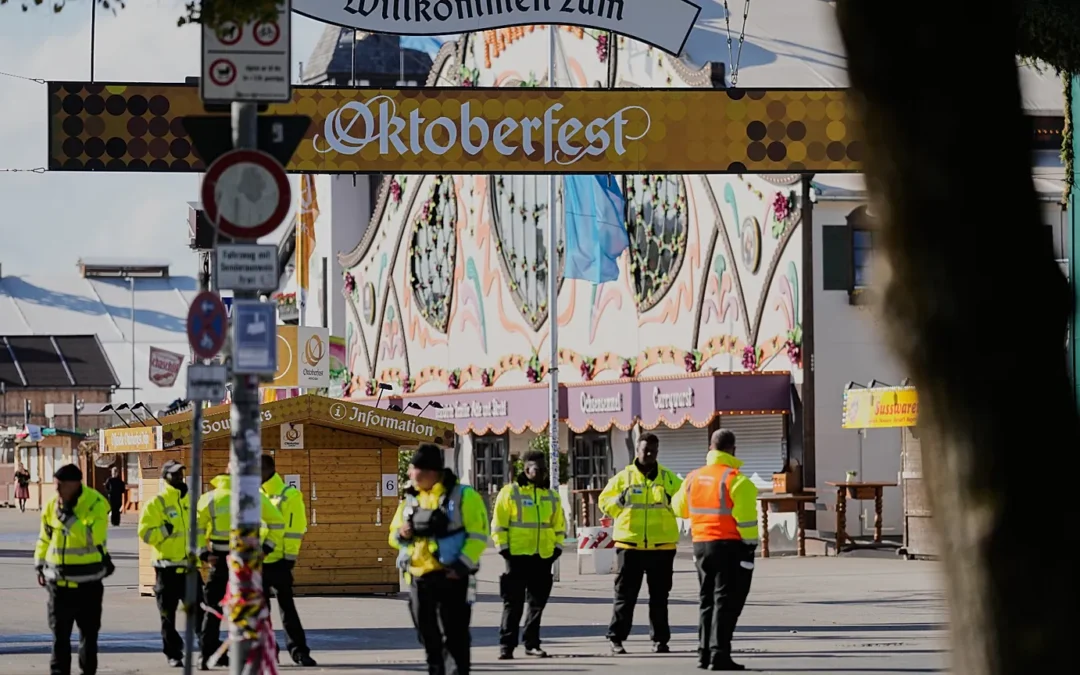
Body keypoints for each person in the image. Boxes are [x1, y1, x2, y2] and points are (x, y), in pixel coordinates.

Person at [389, 444, 489, 675]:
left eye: (412, 469)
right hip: (418, 576)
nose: (409, 475)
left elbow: (477, 535)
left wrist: (461, 565)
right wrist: (401, 534)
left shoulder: (464, 496)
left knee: (455, 634)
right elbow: (393, 535)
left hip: (451, 574)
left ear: (429, 471)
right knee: (426, 632)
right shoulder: (410, 500)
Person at [672, 429, 760, 671]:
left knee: (706, 599)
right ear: (733, 449)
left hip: (700, 546)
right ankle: (719, 654)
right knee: (725, 601)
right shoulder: (737, 480)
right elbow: (746, 520)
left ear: (710, 448)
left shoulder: (692, 478)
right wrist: (751, 544)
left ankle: (703, 653)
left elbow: (679, 509)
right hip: (729, 546)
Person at [598, 432, 683, 655]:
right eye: (645, 450)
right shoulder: (623, 478)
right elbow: (604, 503)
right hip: (630, 546)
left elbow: (685, 504)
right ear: (637, 450)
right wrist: (619, 500)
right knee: (625, 597)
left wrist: (670, 500)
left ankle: (660, 640)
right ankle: (616, 638)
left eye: (653, 451)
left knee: (659, 598)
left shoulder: (668, 478)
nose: (649, 454)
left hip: (662, 547)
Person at [195, 466, 285, 670]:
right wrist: (266, 549)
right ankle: (248, 653)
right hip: (247, 562)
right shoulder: (253, 497)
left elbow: (196, 529)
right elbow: (278, 523)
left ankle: (206, 655)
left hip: (219, 559)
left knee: (212, 609)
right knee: (249, 606)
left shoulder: (210, 498)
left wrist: (204, 554)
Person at [34, 463, 114, 675]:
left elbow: (93, 537)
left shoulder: (96, 503)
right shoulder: (53, 504)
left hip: (88, 582)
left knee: (88, 635)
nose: (57, 490)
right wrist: (39, 564)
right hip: (58, 584)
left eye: (61, 485)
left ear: (75, 484)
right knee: (59, 635)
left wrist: (68, 518)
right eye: (56, 485)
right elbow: (45, 537)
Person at [491, 449, 566, 660]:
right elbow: (498, 524)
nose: (542, 473)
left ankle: (532, 644)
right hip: (516, 557)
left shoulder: (551, 496)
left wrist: (557, 549)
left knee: (537, 605)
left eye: (544, 469)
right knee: (512, 604)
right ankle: (506, 646)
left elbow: (559, 526)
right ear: (526, 469)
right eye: (537, 469)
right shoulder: (510, 493)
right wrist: (504, 550)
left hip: (543, 557)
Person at [137, 460, 202, 668]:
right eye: (174, 474)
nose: (179, 478)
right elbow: (145, 533)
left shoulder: (189, 501)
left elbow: (198, 531)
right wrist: (165, 530)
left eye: (181, 473)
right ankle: (173, 653)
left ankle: (209, 649)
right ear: (165, 477)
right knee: (168, 615)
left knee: (201, 611)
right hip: (167, 569)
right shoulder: (156, 503)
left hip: (190, 568)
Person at [260, 455, 317, 667]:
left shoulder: (289, 495)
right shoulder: (257, 494)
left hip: (280, 562)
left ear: (268, 470)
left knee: (287, 609)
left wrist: (289, 558)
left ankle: (299, 651)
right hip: (260, 561)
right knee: (261, 611)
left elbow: (295, 529)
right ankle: (268, 651)